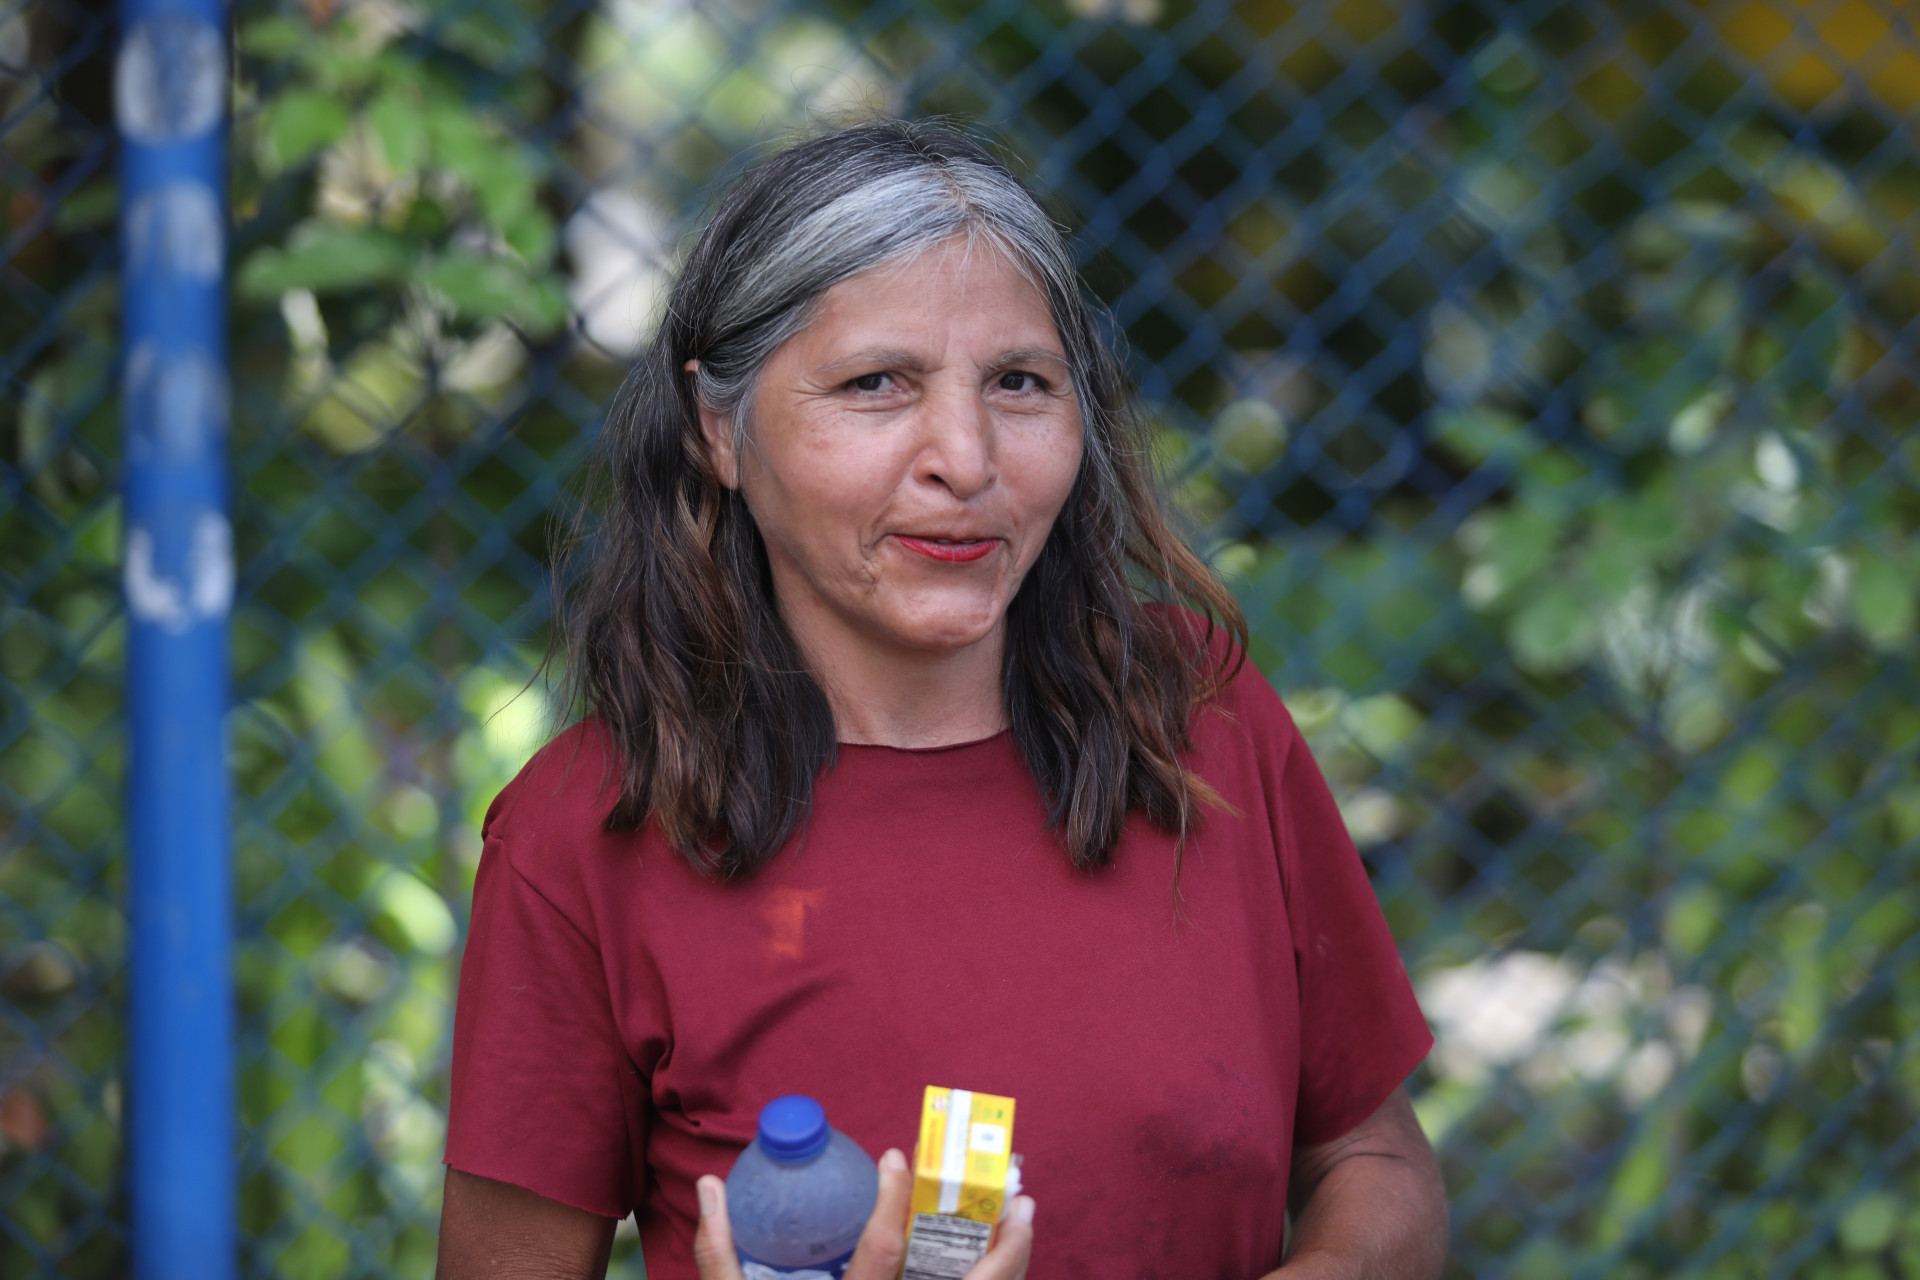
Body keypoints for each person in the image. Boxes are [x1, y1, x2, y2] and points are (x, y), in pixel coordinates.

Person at [434, 120, 1446, 1280]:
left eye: (1019, 382)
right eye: (877, 384)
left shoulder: (1204, 722)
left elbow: (1379, 1158)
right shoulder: (583, 832)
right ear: (719, 425)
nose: (965, 458)